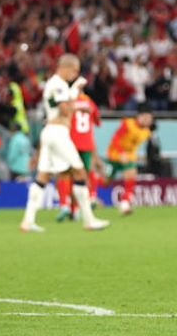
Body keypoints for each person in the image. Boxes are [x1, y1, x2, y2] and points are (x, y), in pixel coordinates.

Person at [20, 55, 110, 232]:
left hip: (49, 132)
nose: (75, 75)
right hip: (58, 132)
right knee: (79, 171)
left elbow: (61, 104)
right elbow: (64, 108)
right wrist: (78, 103)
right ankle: (89, 220)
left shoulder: (54, 84)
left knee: (43, 176)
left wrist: (74, 92)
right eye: (75, 71)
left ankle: (27, 220)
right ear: (67, 67)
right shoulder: (59, 83)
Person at [56, 91, 103, 222]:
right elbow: (97, 121)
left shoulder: (67, 100)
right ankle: (81, 205)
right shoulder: (89, 101)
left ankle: (65, 204)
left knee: (64, 174)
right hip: (87, 143)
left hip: (70, 141)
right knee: (82, 176)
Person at [105, 103, 154, 215]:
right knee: (105, 181)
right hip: (114, 154)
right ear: (139, 116)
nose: (148, 121)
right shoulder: (127, 124)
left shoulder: (146, 132)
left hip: (129, 156)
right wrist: (121, 153)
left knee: (131, 174)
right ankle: (91, 195)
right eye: (146, 118)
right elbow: (115, 139)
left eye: (150, 119)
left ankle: (125, 203)